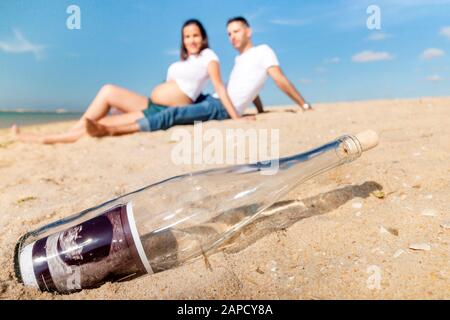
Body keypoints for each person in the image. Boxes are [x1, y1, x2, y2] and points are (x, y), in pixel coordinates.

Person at [12, 19, 239, 144]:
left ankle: (46, 138)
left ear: (203, 37)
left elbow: (219, 86)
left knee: (107, 125)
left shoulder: (209, 56)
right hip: (151, 103)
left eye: (195, 35)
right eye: (187, 36)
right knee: (108, 90)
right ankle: (74, 128)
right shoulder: (180, 62)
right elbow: (168, 86)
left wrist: (237, 117)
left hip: (161, 111)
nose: (191, 40)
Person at [85, 16, 312, 137]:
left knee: (174, 114)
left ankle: (111, 130)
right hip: (211, 99)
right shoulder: (241, 60)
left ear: (248, 30)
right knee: (170, 109)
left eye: (236, 31)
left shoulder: (263, 51)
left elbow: (279, 78)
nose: (232, 36)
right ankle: (102, 122)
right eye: (229, 33)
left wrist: (303, 104)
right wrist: (260, 109)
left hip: (220, 107)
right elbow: (250, 88)